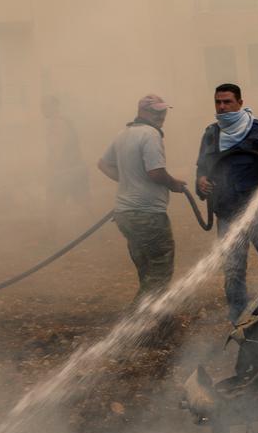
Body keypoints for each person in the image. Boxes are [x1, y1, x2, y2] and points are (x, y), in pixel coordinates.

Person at [195, 83, 258, 323]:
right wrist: (202, 181)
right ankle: (239, 320)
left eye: (227, 102)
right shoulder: (211, 133)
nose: (222, 107)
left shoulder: (257, 130)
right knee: (233, 270)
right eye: (218, 102)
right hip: (227, 213)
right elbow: (202, 167)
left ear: (239, 102)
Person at [97, 94, 188, 303]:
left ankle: (155, 321)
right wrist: (173, 184)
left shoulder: (123, 134)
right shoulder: (151, 135)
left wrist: (129, 180)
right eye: (156, 112)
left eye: (163, 111)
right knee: (159, 272)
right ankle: (136, 325)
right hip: (148, 215)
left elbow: (103, 164)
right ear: (143, 112)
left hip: (125, 215)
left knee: (147, 272)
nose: (161, 116)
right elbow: (156, 172)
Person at [42, 95, 89, 237]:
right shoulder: (60, 122)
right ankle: (96, 232)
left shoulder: (58, 124)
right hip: (75, 168)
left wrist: (52, 170)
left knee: (53, 202)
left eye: (45, 106)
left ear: (55, 107)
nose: (42, 110)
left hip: (66, 171)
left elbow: (58, 149)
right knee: (83, 201)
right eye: (42, 106)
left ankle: (51, 236)